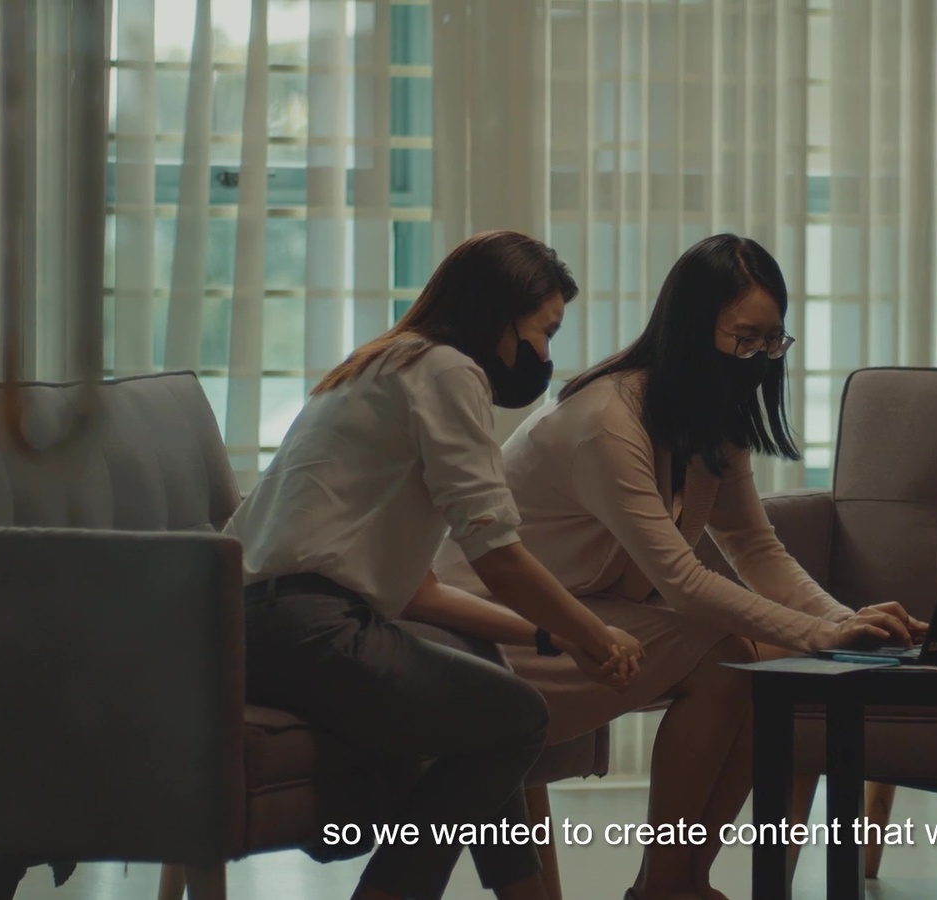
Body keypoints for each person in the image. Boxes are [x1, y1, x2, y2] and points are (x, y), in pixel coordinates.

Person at [435, 233, 925, 900]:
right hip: (497, 627)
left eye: (770, 341)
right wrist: (827, 636)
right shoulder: (608, 421)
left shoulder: (709, 419)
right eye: (742, 337)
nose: (756, 357)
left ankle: (680, 880)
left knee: (764, 657)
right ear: (694, 330)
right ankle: (668, 886)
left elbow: (756, 548)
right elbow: (682, 582)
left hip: (584, 607)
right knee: (725, 650)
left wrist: (844, 620)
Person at [224, 230, 644, 900]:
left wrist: (550, 634)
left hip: (254, 626)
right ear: (503, 313)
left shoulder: (377, 364)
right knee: (518, 718)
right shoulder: (448, 370)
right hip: (312, 629)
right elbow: (498, 554)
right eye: (546, 328)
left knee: (490, 704)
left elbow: (418, 592)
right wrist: (595, 636)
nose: (545, 352)